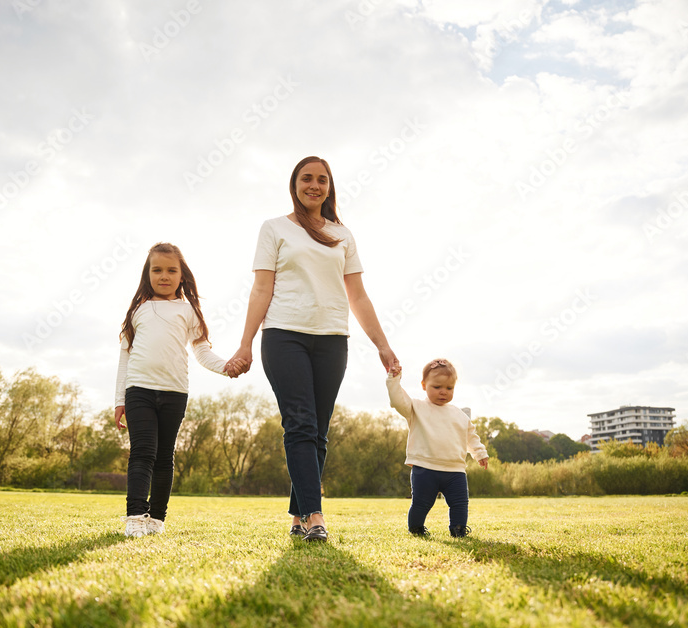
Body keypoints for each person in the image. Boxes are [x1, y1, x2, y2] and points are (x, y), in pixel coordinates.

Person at [228, 156, 399, 542]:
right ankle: (315, 515)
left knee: (318, 432)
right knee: (301, 423)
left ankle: (296, 516)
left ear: (330, 187)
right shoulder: (273, 228)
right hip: (284, 334)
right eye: (307, 178)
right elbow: (261, 289)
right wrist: (245, 343)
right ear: (295, 184)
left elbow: (358, 295)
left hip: (332, 339)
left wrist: (382, 345)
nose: (314, 185)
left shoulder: (343, 235)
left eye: (322, 180)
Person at [114, 242, 244, 538]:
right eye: (157, 270)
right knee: (142, 452)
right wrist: (119, 400)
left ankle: (157, 518)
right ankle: (135, 515)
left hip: (174, 392)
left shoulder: (189, 311)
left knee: (163, 456)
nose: (164, 276)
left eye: (171, 270)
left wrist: (226, 366)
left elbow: (202, 352)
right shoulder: (138, 310)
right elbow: (125, 356)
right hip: (139, 390)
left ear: (182, 275)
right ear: (147, 274)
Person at [386, 358, 489, 538]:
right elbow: (397, 400)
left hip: (455, 470)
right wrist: (394, 379)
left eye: (449, 388)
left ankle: (458, 530)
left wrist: (479, 452)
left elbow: (470, 435)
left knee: (460, 503)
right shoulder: (416, 407)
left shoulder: (459, 414)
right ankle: (416, 529)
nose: (443, 392)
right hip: (424, 468)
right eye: (437, 387)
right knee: (421, 503)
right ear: (424, 385)